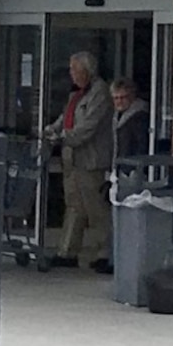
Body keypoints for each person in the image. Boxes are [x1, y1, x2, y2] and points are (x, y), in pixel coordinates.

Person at [55, 51, 114, 272]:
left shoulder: (100, 93)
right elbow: (64, 120)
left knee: (95, 209)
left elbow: (87, 127)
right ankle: (67, 251)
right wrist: (49, 131)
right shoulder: (77, 95)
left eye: (74, 69)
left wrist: (65, 137)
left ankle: (104, 253)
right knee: (74, 206)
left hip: (91, 161)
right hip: (72, 159)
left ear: (86, 71)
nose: (71, 74)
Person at [109, 75, 151, 160]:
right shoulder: (117, 116)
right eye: (116, 98)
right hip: (119, 167)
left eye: (122, 97)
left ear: (132, 96)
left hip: (132, 169)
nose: (119, 101)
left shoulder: (140, 117)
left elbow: (141, 147)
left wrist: (134, 170)